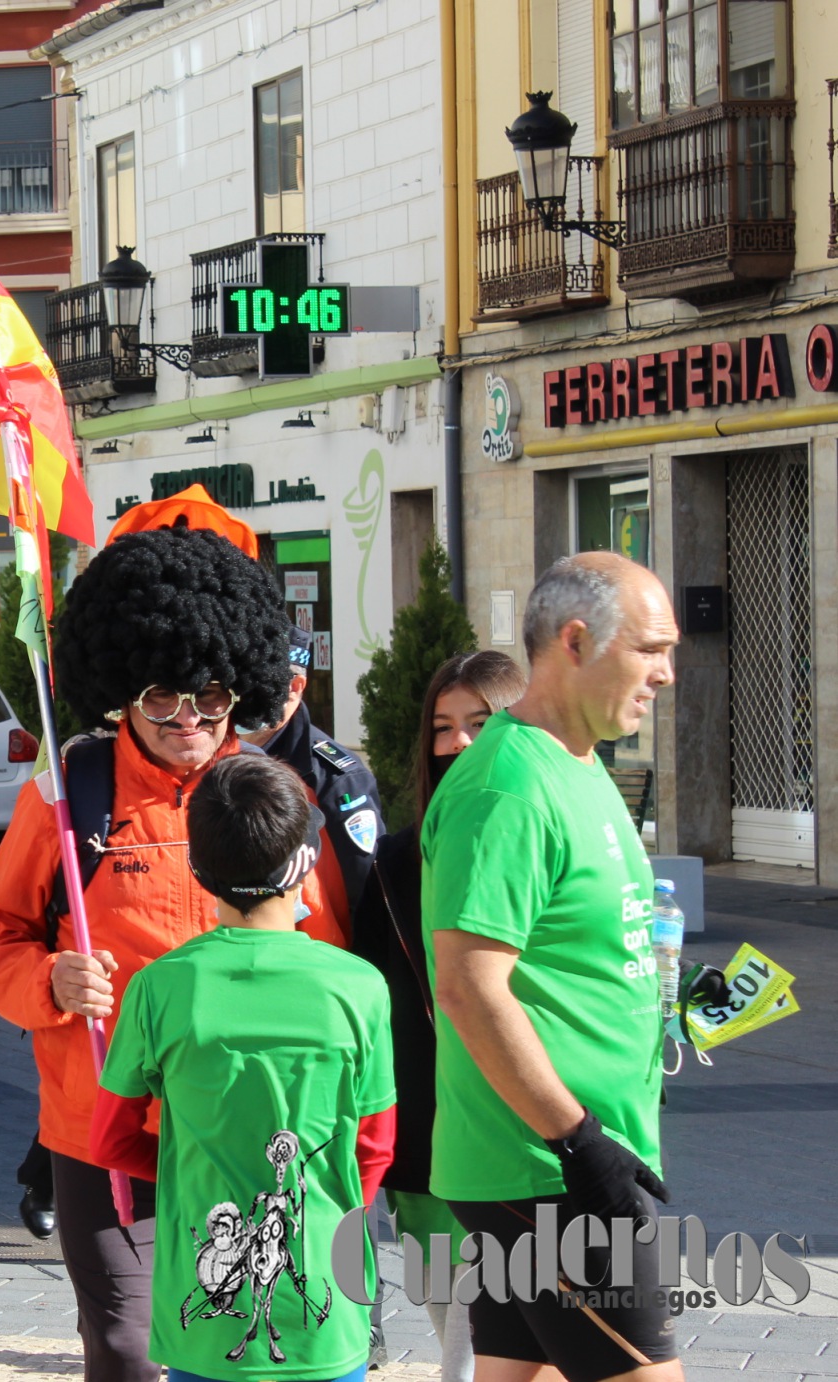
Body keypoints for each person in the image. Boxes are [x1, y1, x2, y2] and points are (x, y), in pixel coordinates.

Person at [0, 526, 346, 1382]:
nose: (188, 720)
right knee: (130, 1348)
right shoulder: (69, 795)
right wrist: (49, 982)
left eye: (209, 697)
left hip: (243, 1131)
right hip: (101, 1126)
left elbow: (329, 958)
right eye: (163, 697)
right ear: (124, 693)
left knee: (233, 1346)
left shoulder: (274, 796)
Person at [425, 552, 681, 1382]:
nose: (667, 673)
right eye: (650, 648)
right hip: (548, 1167)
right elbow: (468, 985)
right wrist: (578, 1143)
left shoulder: (579, 761)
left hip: (555, 1164)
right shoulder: (505, 786)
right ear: (576, 641)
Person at [92, 753, 395, 1382]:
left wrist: (184, 1175)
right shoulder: (360, 987)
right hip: (327, 1313)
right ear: (304, 860)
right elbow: (374, 1147)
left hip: (201, 1312)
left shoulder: (159, 988)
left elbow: (110, 1137)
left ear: (197, 867)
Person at [351, 649, 526, 1382]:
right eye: (443, 727)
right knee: (448, 1306)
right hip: (426, 1129)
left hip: (523, 1123)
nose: (456, 743)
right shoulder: (394, 862)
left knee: (495, 1335)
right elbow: (368, 991)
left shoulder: (549, 840)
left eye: (480, 724)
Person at [241, 626, 385, 930]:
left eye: (257, 683)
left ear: (295, 686)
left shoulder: (337, 779)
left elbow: (366, 893)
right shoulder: (212, 751)